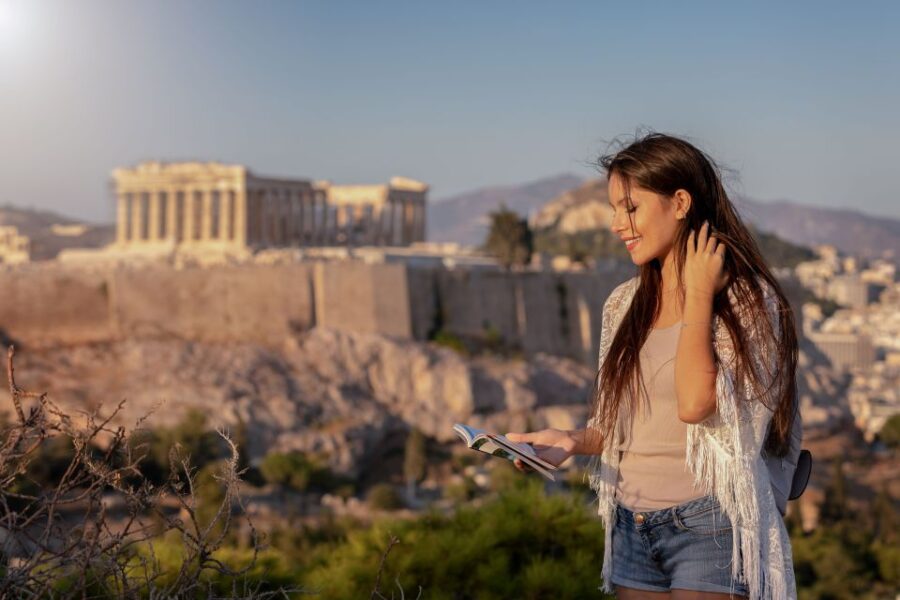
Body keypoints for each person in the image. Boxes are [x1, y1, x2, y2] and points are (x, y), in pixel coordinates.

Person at [507, 133, 800, 600]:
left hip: (710, 526)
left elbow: (694, 404)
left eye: (630, 208)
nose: (616, 224)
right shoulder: (624, 304)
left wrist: (700, 294)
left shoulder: (746, 302)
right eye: (613, 209)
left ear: (680, 202)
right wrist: (571, 441)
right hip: (630, 522)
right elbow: (617, 424)